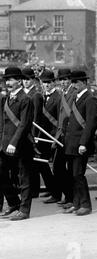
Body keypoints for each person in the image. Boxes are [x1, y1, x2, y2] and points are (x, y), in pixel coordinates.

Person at [0, 67, 34, 220]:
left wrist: (13, 143)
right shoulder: (7, 98)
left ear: (19, 80)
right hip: (5, 143)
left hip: (21, 144)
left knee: (24, 177)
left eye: (11, 79)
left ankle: (24, 210)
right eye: (6, 79)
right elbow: (3, 123)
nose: (8, 82)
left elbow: (24, 124)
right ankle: (14, 202)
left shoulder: (25, 99)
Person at [63, 71, 97, 216]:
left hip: (80, 144)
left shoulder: (90, 99)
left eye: (76, 82)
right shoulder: (76, 97)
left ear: (83, 82)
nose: (73, 85)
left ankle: (85, 205)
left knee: (78, 174)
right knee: (72, 175)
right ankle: (76, 203)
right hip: (71, 143)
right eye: (72, 82)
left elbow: (91, 123)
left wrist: (83, 143)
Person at [37, 70, 61, 204]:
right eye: (44, 82)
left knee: (57, 167)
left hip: (54, 137)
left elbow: (60, 119)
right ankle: (52, 188)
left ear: (53, 82)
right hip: (43, 136)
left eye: (48, 82)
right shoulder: (41, 97)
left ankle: (57, 194)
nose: (46, 85)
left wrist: (56, 137)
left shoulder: (58, 98)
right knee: (41, 163)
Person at [53, 68, 76, 209]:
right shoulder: (64, 94)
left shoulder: (74, 94)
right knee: (58, 168)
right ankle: (67, 196)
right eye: (61, 80)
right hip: (61, 136)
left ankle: (72, 198)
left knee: (70, 170)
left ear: (70, 80)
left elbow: (74, 117)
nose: (63, 82)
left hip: (70, 137)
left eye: (65, 79)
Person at [22, 67, 44, 198]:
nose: (26, 82)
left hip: (31, 133)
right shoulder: (23, 94)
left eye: (28, 79)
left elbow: (35, 118)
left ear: (33, 81)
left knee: (33, 165)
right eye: (24, 79)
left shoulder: (35, 95)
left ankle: (34, 190)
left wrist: (34, 136)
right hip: (23, 132)